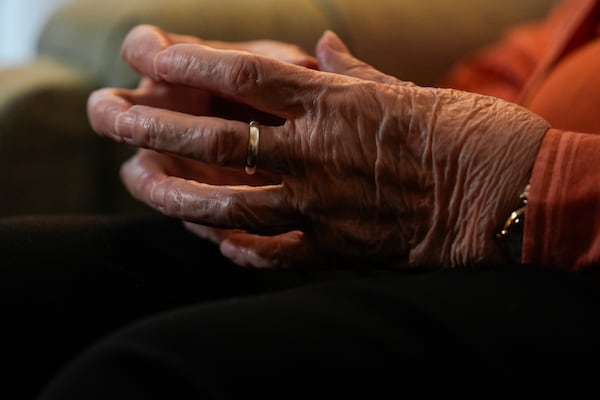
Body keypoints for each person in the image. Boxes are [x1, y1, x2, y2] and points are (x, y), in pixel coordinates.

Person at [2, 0, 600, 398]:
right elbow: (506, 80)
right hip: (463, 248)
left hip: (565, 270)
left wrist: (533, 182)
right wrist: (315, 119)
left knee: (151, 376)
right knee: (24, 276)